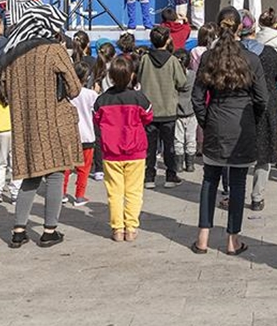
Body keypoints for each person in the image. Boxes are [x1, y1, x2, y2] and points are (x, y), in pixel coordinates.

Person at [0, 3, 83, 250]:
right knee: (55, 174)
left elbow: (4, 92)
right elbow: (75, 88)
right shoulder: (52, 50)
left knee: (30, 176)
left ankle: (18, 230)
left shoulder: (11, 55)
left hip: (24, 124)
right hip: (52, 121)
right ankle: (49, 231)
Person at [190, 9, 266, 255]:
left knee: (209, 180)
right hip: (241, 124)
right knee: (238, 183)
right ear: (239, 29)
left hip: (216, 121)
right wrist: (251, 120)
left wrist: (206, 121)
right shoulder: (251, 59)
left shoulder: (209, 57)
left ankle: (202, 238)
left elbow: (197, 97)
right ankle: (233, 240)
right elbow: (261, 98)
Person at [94, 56, 154, 242]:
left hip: (111, 152)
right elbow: (148, 117)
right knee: (134, 191)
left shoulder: (102, 101)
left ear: (110, 76)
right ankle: (131, 227)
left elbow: (96, 120)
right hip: (135, 150)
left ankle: (117, 229)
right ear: (132, 75)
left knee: (115, 192)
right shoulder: (139, 98)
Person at [235, 11, 277, 211]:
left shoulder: (231, 52)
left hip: (238, 107)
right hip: (266, 107)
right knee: (263, 154)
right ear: (254, 28)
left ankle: (233, 193)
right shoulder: (268, 52)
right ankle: (257, 196)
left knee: (237, 153)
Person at [137, 25, 189, 189]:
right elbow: (182, 82)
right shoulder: (173, 61)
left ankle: (149, 176)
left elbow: (139, 77)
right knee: (169, 146)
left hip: (149, 109)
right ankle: (170, 175)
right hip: (168, 109)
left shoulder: (145, 59)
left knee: (150, 146)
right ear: (167, 40)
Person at [64, 59, 99, 206]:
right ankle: (80, 195)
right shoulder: (91, 94)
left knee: (66, 167)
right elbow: (97, 112)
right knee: (84, 168)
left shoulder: (66, 93)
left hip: (70, 134)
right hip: (87, 135)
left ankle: (61, 192)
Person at [172, 49, 196, 173]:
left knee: (178, 139)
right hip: (191, 110)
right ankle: (190, 164)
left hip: (177, 112)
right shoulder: (193, 75)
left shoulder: (172, 76)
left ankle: (179, 164)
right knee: (191, 138)